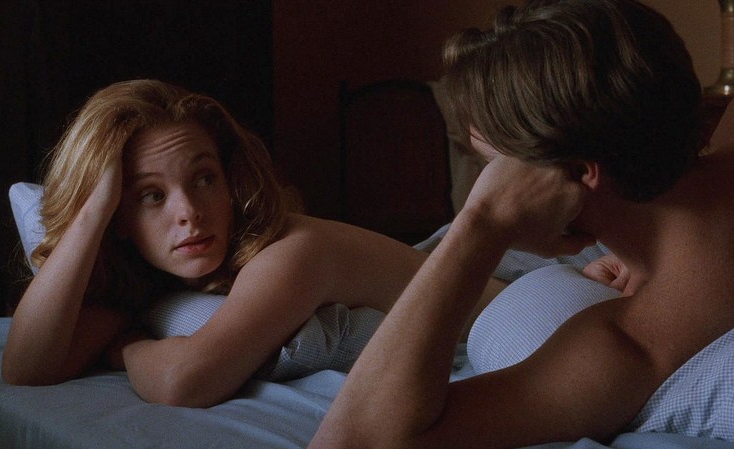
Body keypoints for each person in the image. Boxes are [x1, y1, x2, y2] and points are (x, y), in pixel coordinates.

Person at [310, 0, 734, 447]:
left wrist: (482, 225)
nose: (485, 185)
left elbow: (353, 439)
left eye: (494, 169)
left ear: (577, 172)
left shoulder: (632, 345)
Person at [1, 79, 464, 408]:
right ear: (118, 221)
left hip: (500, 314)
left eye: (205, 178)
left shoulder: (293, 252)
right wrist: (92, 214)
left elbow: (184, 382)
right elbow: (25, 370)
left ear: (231, 183)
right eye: (152, 195)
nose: (189, 211)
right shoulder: (156, 279)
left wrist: (126, 348)